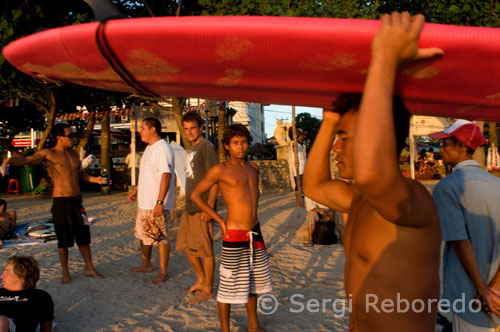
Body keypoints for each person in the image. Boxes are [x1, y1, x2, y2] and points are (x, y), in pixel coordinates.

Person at [303, 12, 443, 331]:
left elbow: (371, 172)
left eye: (345, 138)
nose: (335, 148)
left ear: (380, 139)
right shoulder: (360, 199)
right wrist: (330, 121)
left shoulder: (414, 201)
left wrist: (385, 59)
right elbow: (314, 185)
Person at [191, 124, 271, 332]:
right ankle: (225, 329)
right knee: (228, 285)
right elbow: (195, 196)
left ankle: (254, 325)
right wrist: (218, 219)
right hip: (234, 232)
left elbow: (253, 197)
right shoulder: (220, 169)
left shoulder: (254, 168)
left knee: (253, 282)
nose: (241, 147)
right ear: (227, 146)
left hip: (255, 231)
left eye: (244, 142)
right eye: (235, 143)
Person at [1, 123, 103, 284]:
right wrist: (8, 160)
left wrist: (95, 180)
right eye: (70, 136)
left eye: (73, 135)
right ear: (59, 138)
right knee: (63, 240)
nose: (73, 138)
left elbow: (79, 174)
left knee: (84, 237)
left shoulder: (74, 154)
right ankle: (65, 272)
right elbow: (27, 160)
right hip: (61, 202)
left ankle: (90, 268)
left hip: (77, 201)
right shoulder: (49, 154)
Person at [429, 119, 500, 330]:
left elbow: (460, 242)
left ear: (462, 146)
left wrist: (484, 291)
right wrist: (495, 287)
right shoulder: (497, 184)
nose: (441, 150)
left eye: (445, 144)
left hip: (469, 294)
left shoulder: (448, 187)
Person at [175, 111, 219, 303]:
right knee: (185, 245)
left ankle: (208, 288)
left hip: (203, 206)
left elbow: (216, 177)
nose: (189, 132)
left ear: (201, 127)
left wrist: (210, 206)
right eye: (186, 129)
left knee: (206, 249)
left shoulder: (206, 147)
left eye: (193, 128)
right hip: (190, 206)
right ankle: (201, 279)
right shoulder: (193, 147)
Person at [127, 117, 175, 285]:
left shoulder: (163, 149)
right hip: (144, 202)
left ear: (153, 129)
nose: (140, 131)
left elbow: (166, 175)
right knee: (143, 234)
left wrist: (159, 202)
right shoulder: (149, 148)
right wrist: (136, 190)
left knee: (160, 236)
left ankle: (163, 271)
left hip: (156, 203)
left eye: (142, 128)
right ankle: (146, 264)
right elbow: (147, 174)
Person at [0, 256, 54, 332]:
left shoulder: (39, 297)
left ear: (22, 275)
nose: (2, 276)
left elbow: (46, 328)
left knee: (1, 321)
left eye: (7, 272)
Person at [288, 128, 307, 207]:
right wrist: (294, 142)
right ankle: (298, 204)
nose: (303, 137)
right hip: (298, 170)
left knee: (303, 187)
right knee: (298, 187)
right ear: (298, 136)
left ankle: (302, 203)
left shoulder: (300, 145)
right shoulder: (294, 143)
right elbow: (293, 147)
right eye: (302, 135)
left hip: (303, 170)